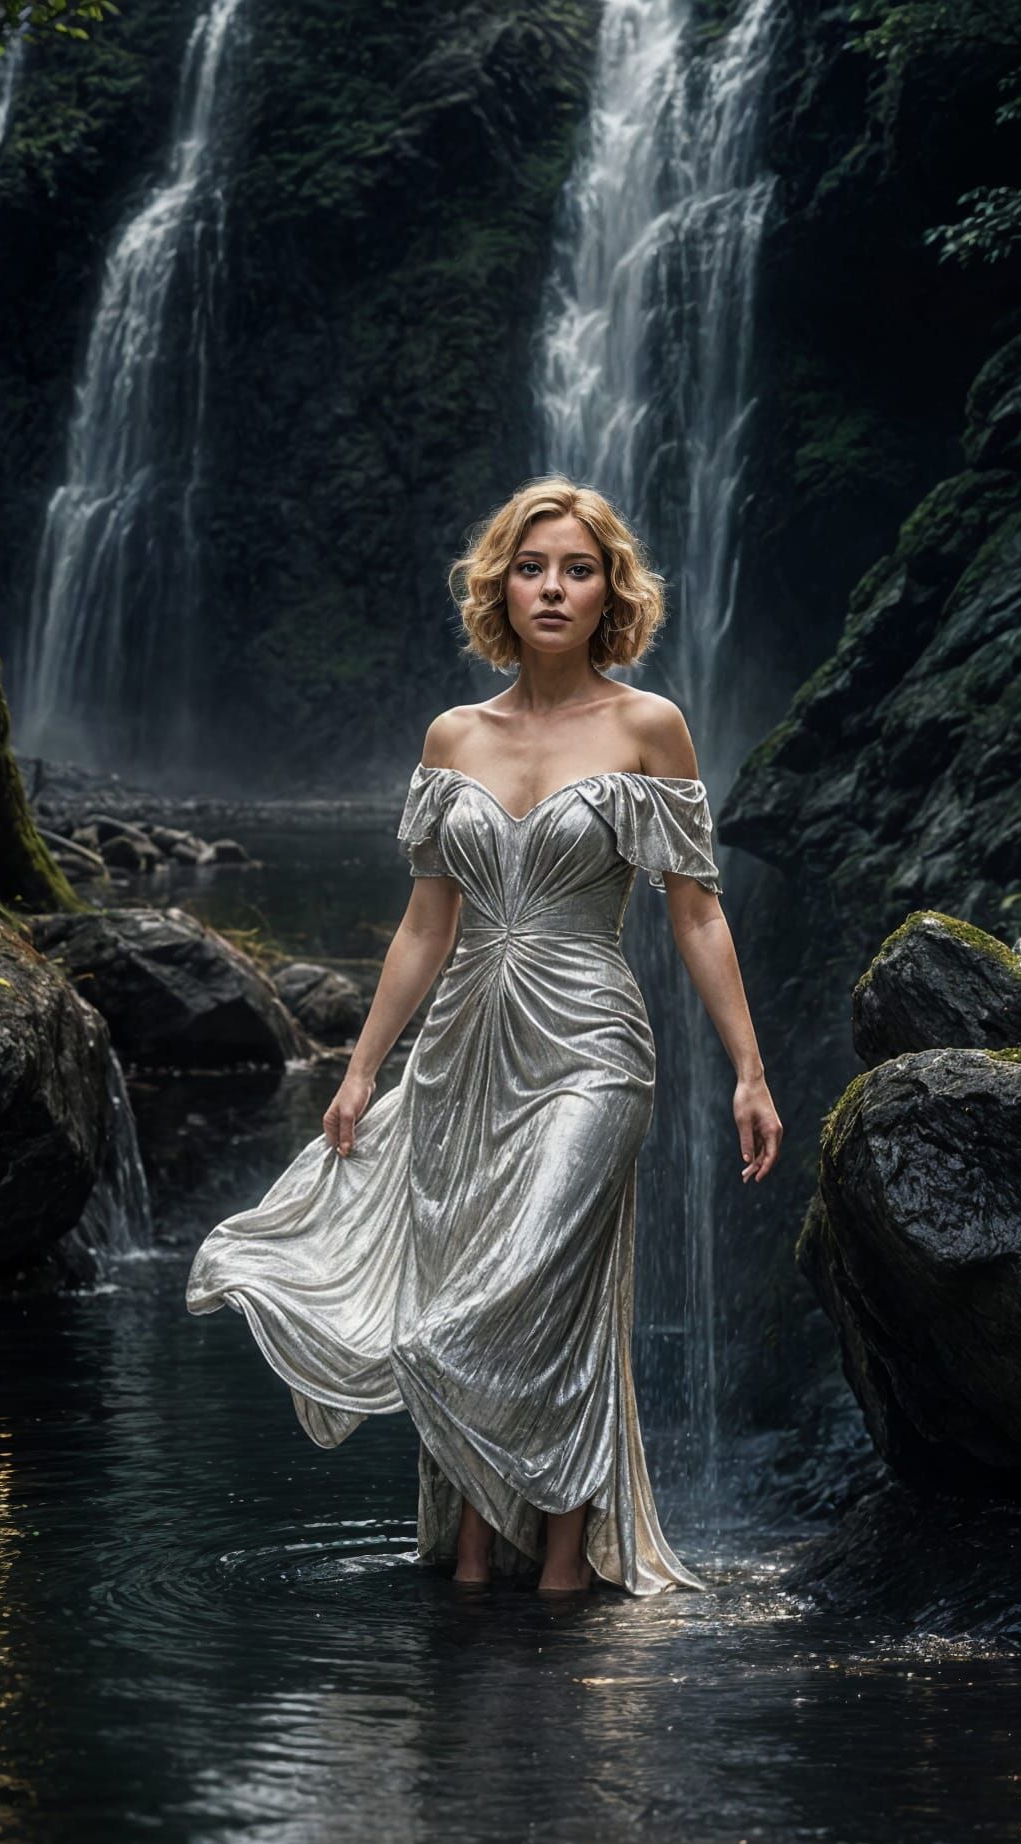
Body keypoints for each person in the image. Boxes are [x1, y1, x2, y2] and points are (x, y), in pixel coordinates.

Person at [186, 477, 783, 1595]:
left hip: (592, 1049)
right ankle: (472, 1565)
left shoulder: (649, 727)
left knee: (516, 1292)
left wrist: (748, 1070)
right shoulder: (453, 736)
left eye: (577, 569)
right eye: (530, 567)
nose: (552, 587)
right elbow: (427, 924)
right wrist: (362, 1069)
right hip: (461, 1055)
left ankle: (564, 1570)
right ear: (498, 588)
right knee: (483, 1287)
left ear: (610, 593)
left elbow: (697, 912)